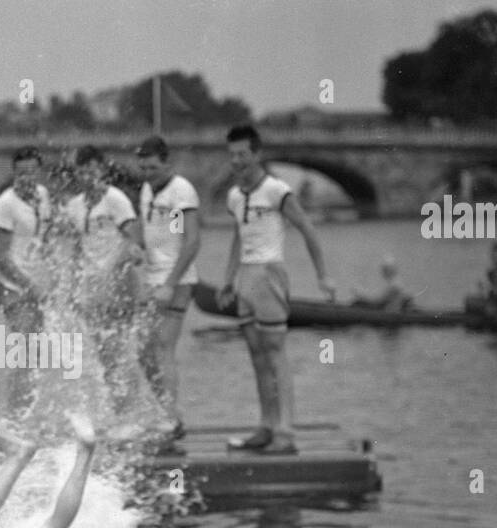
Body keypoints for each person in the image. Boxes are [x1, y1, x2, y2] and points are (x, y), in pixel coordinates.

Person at [217, 125, 336, 455]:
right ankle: (266, 426)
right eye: (232, 155)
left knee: (275, 353)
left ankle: (286, 430)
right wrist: (228, 279)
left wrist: (323, 277)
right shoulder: (234, 196)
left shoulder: (276, 190)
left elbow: (307, 229)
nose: (237, 161)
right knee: (256, 356)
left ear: (257, 154)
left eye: (243, 154)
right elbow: (238, 236)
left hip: (270, 273)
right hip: (246, 276)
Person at [62, 146, 145, 417]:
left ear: (102, 171)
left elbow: (133, 239)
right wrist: (73, 287)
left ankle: (131, 412)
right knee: (103, 353)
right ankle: (118, 411)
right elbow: (75, 249)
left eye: (92, 171)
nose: (87, 177)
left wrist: (115, 270)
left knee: (120, 349)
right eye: (82, 172)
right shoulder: (74, 206)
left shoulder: (116, 200)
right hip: (91, 286)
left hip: (118, 284)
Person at [135, 135, 201, 438]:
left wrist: (170, 283)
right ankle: (165, 411)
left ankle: (172, 418)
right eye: (143, 168)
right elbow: (150, 231)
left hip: (177, 279)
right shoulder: (148, 189)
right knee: (142, 351)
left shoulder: (181, 191)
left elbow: (191, 242)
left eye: (153, 167)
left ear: (167, 162)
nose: (148, 174)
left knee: (163, 347)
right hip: (151, 278)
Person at [0, 146, 52, 415]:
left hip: (37, 285)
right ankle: (15, 417)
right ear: (14, 174)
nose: (26, 178)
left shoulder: (43, 195)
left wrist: (51, 275)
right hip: (13, 287)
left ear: (39, 172)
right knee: (23, 352)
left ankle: (28, 412)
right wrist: (30, 285)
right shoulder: (4, 204)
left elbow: (43, 239)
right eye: (21, 173)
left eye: (31, 172)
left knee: (36, 353)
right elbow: (0, 255)